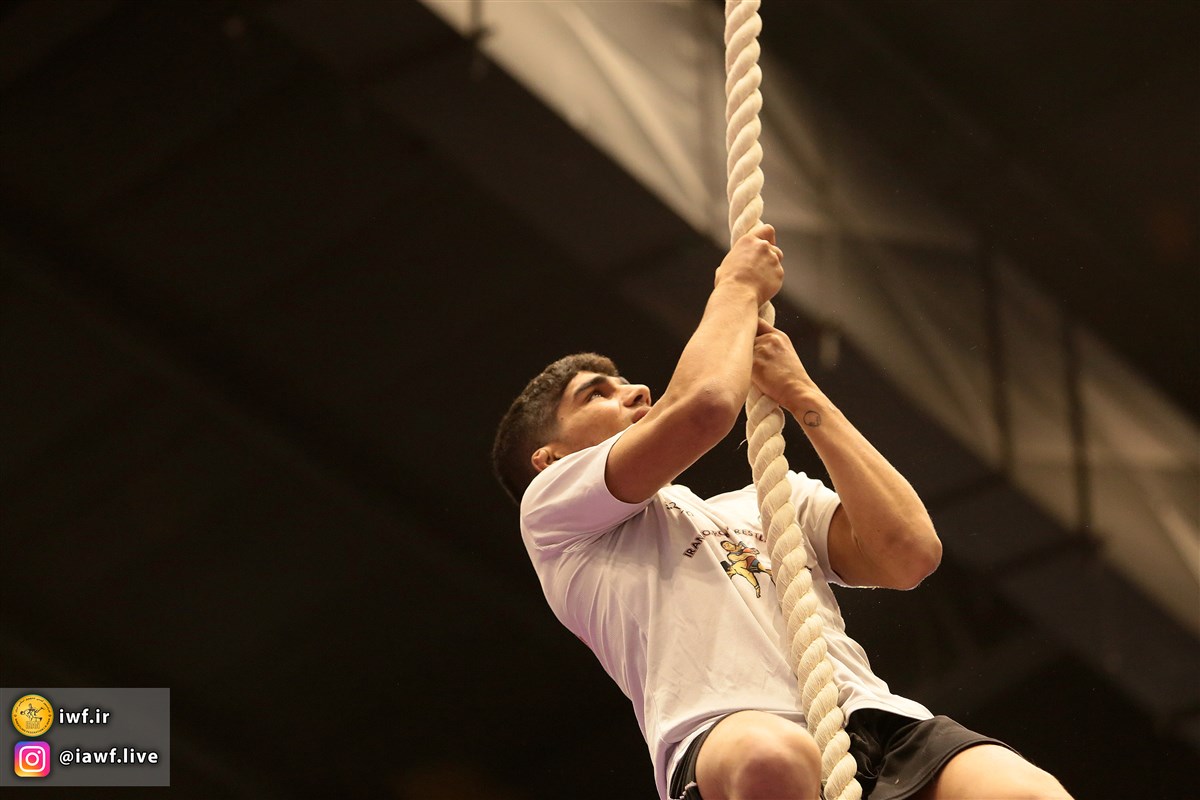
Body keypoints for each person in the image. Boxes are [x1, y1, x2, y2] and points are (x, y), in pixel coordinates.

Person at [492, 224, 1071, 800]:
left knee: (1029, 793)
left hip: (871, 720)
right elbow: (703, 408)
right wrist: (736, 286)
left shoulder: (766, 503)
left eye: (623, 383)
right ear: (550, 459)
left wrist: (801, 393)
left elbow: (909, 555)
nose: (637, 391)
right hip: (726, 733)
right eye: (597, 394)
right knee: (774, 756)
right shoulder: (552, 516)